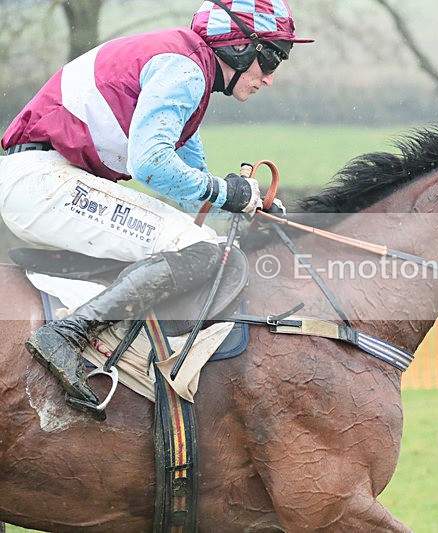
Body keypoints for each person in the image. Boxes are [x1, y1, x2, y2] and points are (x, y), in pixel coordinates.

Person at [0, 0, 312, 412]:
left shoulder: (188, 69)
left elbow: (191, 189)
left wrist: (243, 206)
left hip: (45, 180)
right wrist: (227, 192)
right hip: (42, 182)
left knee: (203, 239)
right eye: (271, 58)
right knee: (199, 248)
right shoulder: (184, 70)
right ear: (238, 46)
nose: (269, 78)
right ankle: (67, 334)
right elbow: (149, 164)